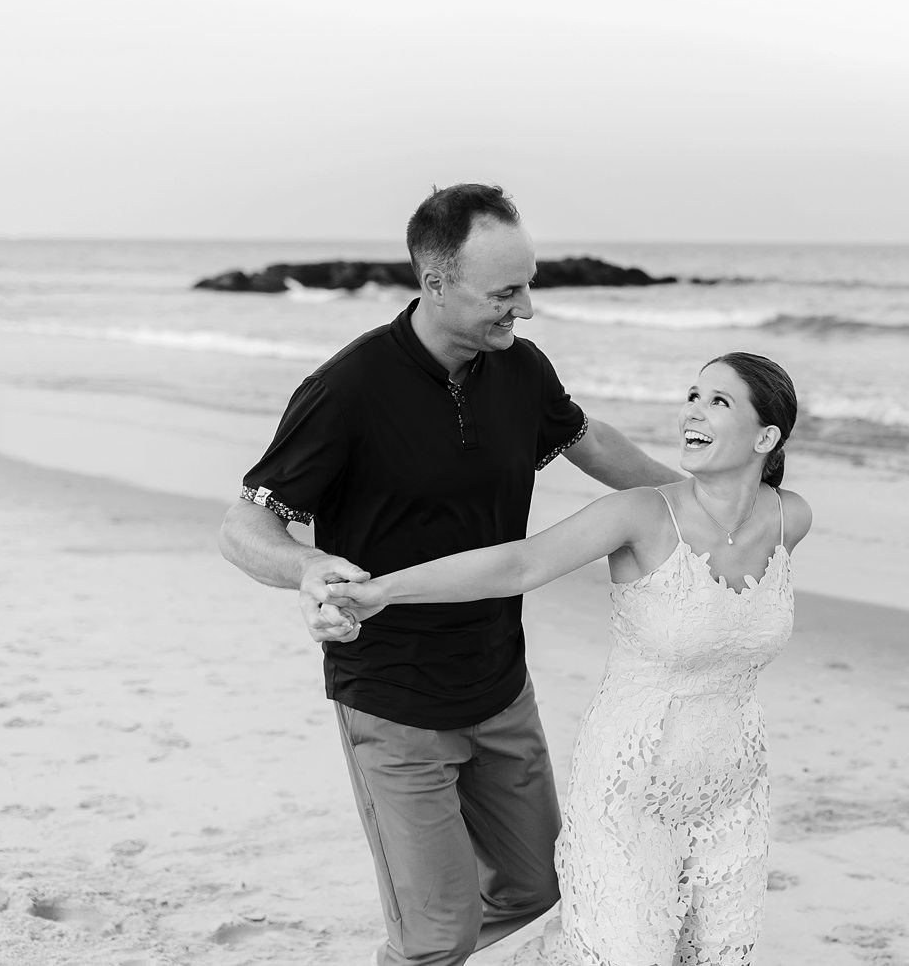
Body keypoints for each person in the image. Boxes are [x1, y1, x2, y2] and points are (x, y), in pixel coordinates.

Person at [217, 183, 681, 966]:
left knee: (540, 893)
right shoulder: (349, 389)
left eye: (528, 284)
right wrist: (309, 567)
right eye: (506, 291)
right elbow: (244, 527)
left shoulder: (520, 369)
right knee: (434, 937)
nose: (527, 307)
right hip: (394, 702)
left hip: (501, 686)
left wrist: (700, 502)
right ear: (436, 283)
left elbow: (587, 439)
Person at [320, 352, 813, 966]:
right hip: (633, 782)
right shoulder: (639, 514)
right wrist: (383, 590)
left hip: (734, 784)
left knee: (716, 953)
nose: (693, 409)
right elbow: (521, 563)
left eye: (719, 401)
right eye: (693, 394)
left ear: (766, 435)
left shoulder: (791, 517)